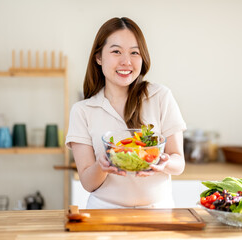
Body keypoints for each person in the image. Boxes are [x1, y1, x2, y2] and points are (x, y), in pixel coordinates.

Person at [66, 17, 186, 209]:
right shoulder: (83, 111)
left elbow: (178, 163)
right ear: (98, 57)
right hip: (105, 213)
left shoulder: (160, 96)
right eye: (116, 51)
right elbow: (88, 183)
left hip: (158, 212)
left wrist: (163, 161)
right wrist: (101, 166)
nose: (126, 61)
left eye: (134, 52)